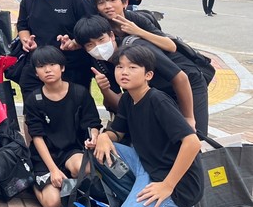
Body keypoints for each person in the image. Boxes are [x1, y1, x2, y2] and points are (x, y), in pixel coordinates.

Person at [94, 45, 203, 207]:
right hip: (145, 165)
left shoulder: (157, 100)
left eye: (132, 67)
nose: (124, 72)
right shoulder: (128, 98)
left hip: (176, 182)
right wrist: (103, 138)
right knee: (100, 151)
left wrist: (167, 185)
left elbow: (192, 143)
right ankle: (136, 203)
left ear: (148, 75)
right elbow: (117, 133)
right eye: (120, 66)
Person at [74, 15, 209, 135]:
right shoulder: (99, 62)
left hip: (187, 83)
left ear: (112, 36)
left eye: (101, 40)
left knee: (194, 134)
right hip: (157, 93)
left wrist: (188, 117)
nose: (98, 47)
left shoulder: (136, 48)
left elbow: (180, 77)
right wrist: (105, 89)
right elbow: (120, 104)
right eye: (90, 44)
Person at [24, 46, 102, 207]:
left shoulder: (79, 93)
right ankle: (33, 182)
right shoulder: (34, 100)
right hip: (44, 156)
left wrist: (93, 137)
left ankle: (68, 183)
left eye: (52, 64)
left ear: (62, 67)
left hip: (71, 151)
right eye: (41, 66)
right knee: (53, 204)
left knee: (84, 167)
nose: (47, 70)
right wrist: (53, 170)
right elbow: (37, 137)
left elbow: (93, 123)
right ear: (36, 73)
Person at [15, 0, 95, 98]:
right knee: (33, 107)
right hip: (37, 68)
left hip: (71, 68)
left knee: (72, 109)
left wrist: (75, 42)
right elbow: (22, 25)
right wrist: (26, 41)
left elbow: (92, 30)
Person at [92, 0, 176, 54]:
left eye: (112, 0)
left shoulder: (137, 19)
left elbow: (171, 46)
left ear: (125, 2)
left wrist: (137, 31)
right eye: (101, 3)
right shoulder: (100, 26)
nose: (107, 6)